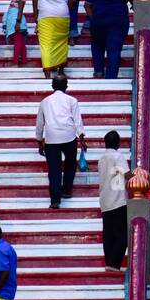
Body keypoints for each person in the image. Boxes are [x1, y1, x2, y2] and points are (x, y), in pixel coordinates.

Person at [36, 74, 86, 208]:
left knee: (54, 170)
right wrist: (81, 137)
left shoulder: (44, 102)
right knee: (70, 164)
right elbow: (77, 120)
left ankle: (55, 200)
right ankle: (67, 190)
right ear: (66, 87)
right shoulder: (72, 100)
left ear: (52, 86)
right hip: (68, 136)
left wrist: (39, 141)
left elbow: (40, 123)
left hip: (51, 138)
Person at [86, 0, 133, 79]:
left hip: (98, 20)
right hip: (117, 19)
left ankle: (98, 73)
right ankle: (110, 78)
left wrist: (93, 18)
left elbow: (87, 5)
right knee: (114, 49)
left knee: (97, 46)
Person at [98, 130, 129, 271]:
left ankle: (109, 262)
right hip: (118, 200)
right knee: (122, 233)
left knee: (108, 233)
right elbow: (126, 173)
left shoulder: (102, 159)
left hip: (105, 200)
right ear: (118, 143)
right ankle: (115, 263)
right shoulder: (118, 156)